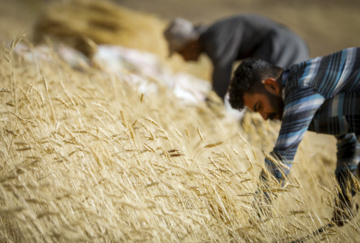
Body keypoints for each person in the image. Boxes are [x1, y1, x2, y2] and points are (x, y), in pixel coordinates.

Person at [227, 47, 360, 226]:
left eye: (259, 107)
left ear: (271, 85)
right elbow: (348, 141)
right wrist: (345, 199)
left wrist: (255, 223)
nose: (264, 117)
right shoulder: (311, 88)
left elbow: (281, 159)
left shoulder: (302, 86)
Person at [163, 14, 309, 101]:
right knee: (276, 101)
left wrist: (211, 109)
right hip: (292, 45)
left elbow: (222, 79)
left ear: (190, 43)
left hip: (283, 46)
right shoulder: (214, 37)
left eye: (180, 52)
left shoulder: (215, 39)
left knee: (261, 97)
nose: (183, 58)